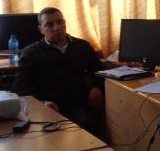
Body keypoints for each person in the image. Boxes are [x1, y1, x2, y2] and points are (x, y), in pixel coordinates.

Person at [13, 7, 104, 135]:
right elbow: (21, 86)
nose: (56, 28)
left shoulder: (82, 46)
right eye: (49, 25)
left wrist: (96, 88)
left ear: (65, 23)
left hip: (78, 105)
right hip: (48, 107)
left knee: (86, 126)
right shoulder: (30, 53)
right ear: (41, 29)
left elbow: (99, 71)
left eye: (59, 22)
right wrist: (42, 102)